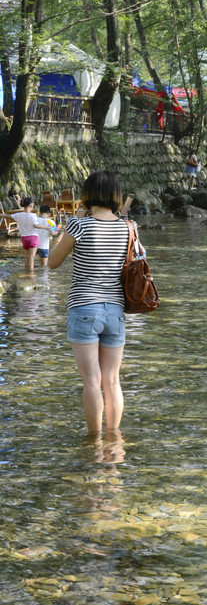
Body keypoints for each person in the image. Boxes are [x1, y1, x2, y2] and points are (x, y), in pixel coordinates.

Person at [48, 171, 132, 434]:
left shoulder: (79, 225)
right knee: (112, 380)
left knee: (92, 382)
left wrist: (69, 227)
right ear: (115, 195)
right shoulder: (127, 227)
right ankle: (115, 442)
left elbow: (52, 262)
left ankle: (94, 444)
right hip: (116, 311)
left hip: (84, 308)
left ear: (88, 194)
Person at [11, 196, 55, 273]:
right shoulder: (51, 222)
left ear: (39, 212)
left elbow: (26, 219)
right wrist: (59, 231)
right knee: (44, 266)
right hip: (44, 246)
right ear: (49, 214)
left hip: (33, 243)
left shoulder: (36, 218)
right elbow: (53, 233)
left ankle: (28, 273)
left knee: (29, 258)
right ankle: (41, 278)